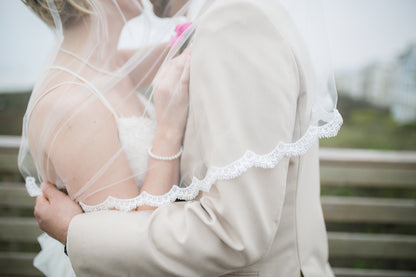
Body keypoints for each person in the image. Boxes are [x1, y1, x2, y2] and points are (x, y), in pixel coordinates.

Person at [30, 0, 343, 276]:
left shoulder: (233, 22)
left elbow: (235, 232)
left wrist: (76, 233)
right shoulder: (75, 102)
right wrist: (166, 130)